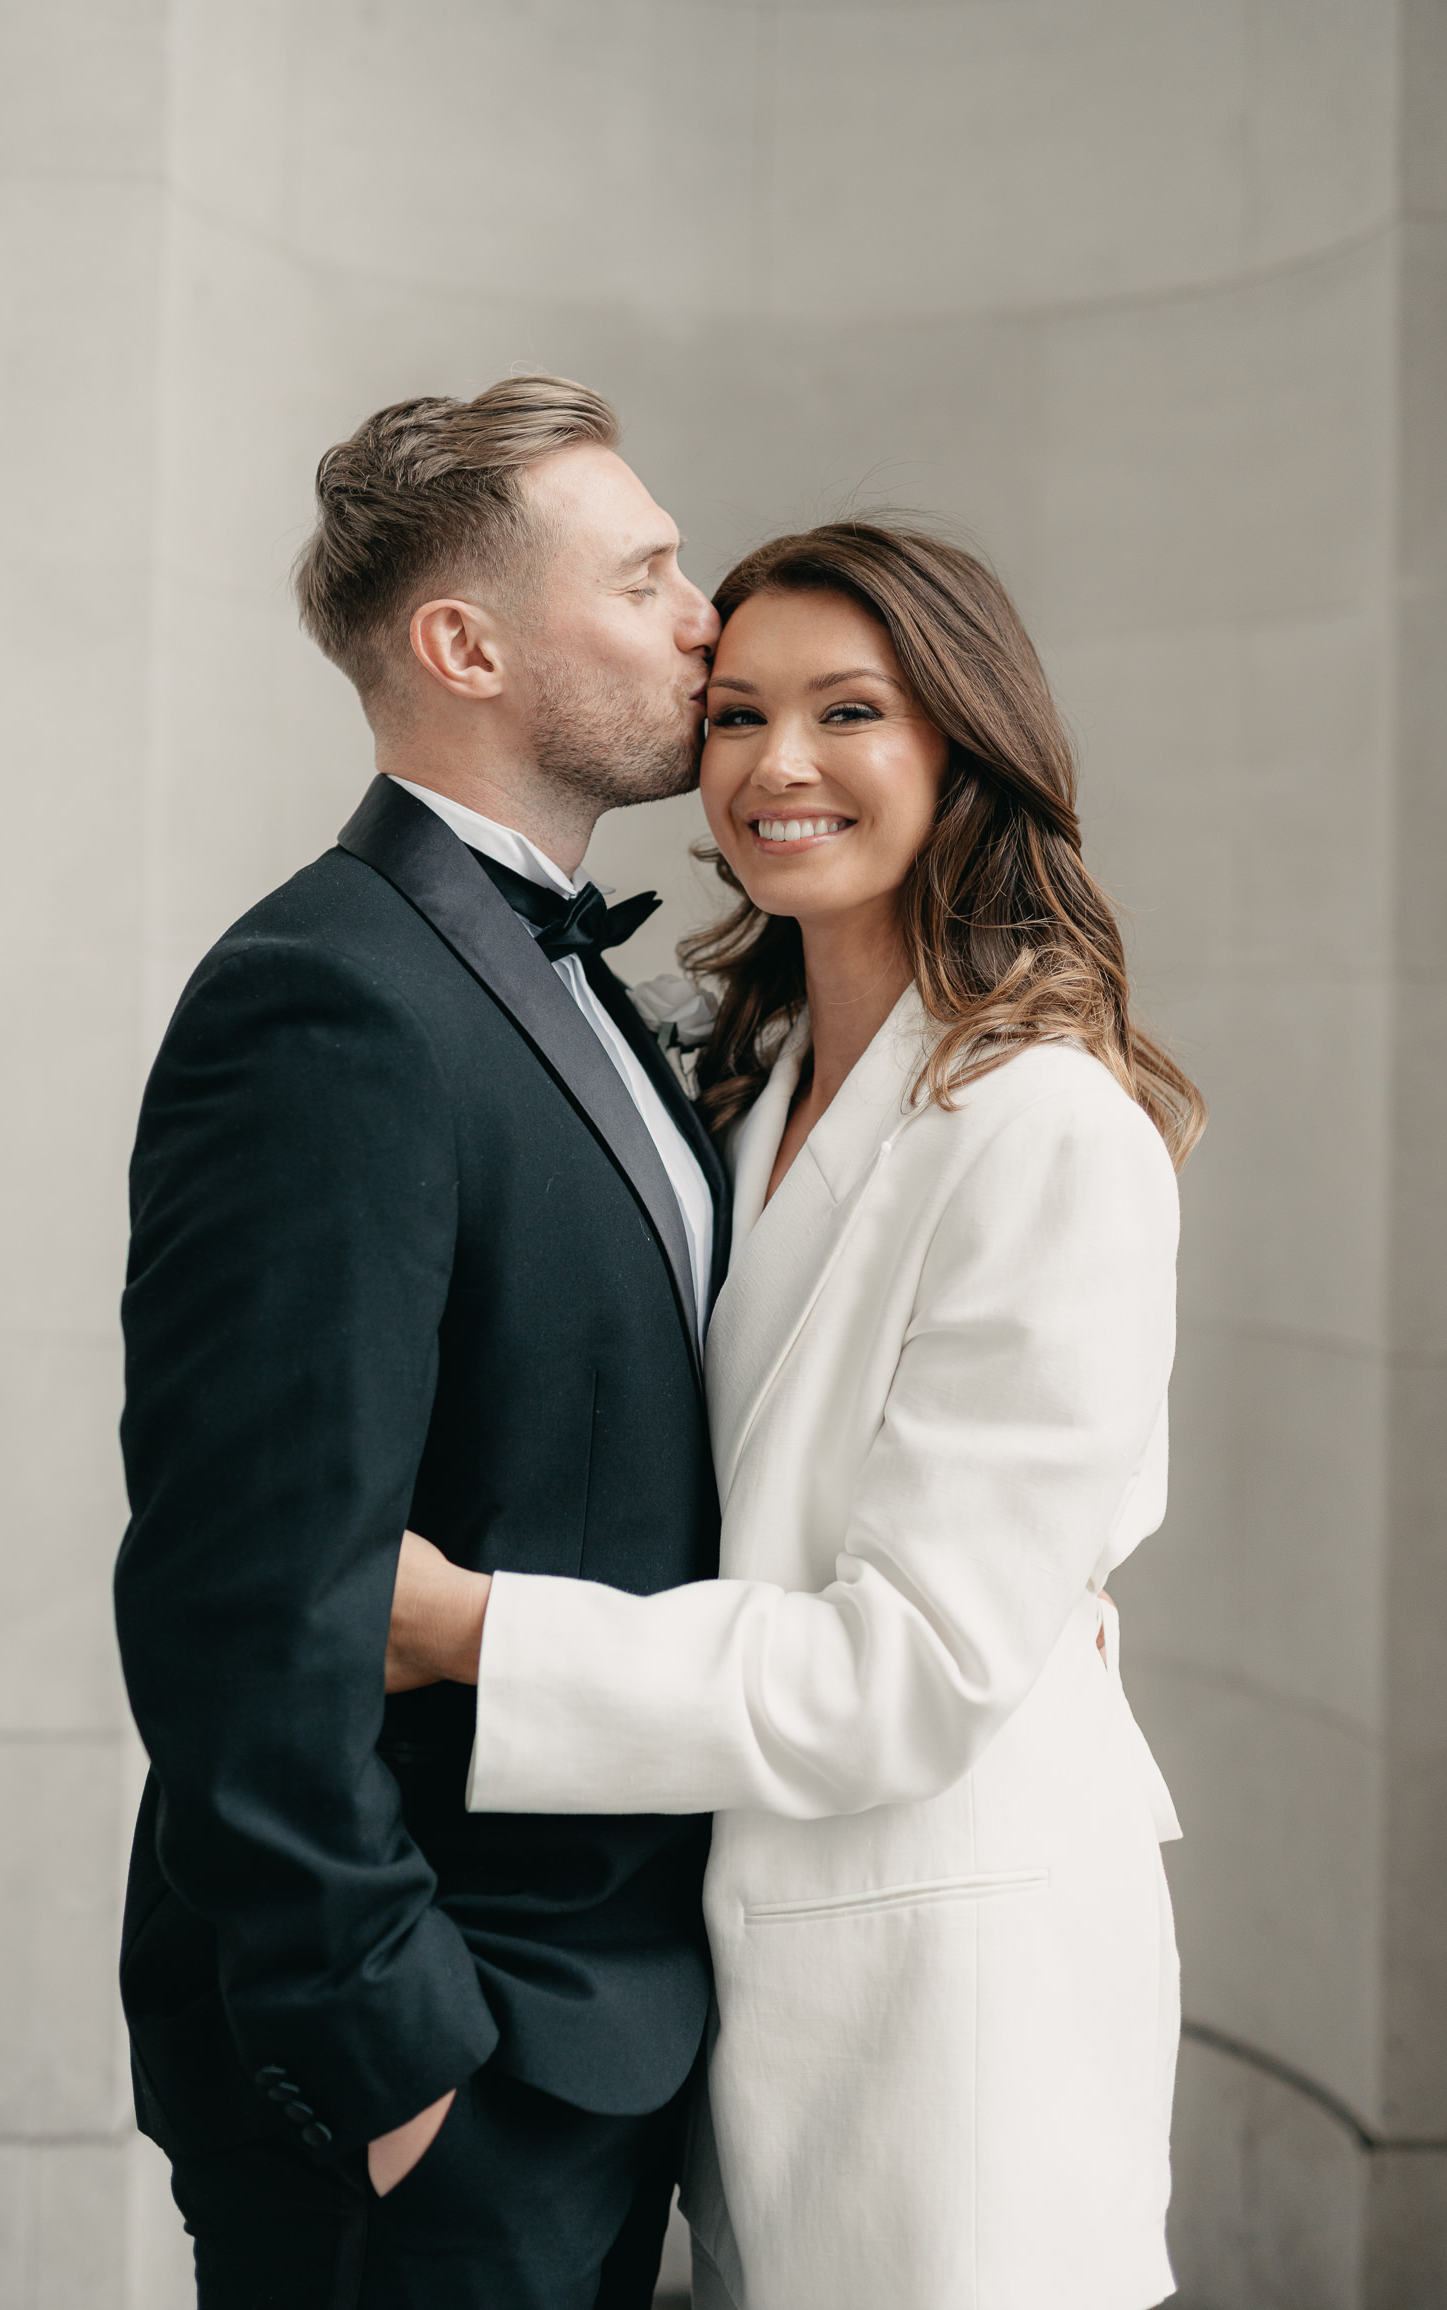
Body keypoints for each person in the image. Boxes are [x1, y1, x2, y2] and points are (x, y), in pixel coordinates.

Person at [384, 520, 1207, 2310]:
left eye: (853, 711)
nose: (780, 766)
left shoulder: (1050, 1129)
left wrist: (470, 1635)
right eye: (739, 712)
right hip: (760, 1983)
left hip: (961, 1994)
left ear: (962, 749)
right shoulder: (741, 1100)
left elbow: (907, 1667)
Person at [112, 375, 731, 2310]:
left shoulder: (559, 971)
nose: (705, 613)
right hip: (447, 2072)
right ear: (464, 645)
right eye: (646, 576)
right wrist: (400, 2068)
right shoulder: (331, 997)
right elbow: (248, 1597)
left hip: (604, 2030)